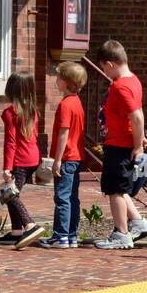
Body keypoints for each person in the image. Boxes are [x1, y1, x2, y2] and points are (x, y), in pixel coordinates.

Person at [90, 40, 147, 249]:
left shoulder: (120, 87)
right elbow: (138, 115)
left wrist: (138, 145)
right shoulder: (133, 80)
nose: (104, 72)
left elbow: (136, 116)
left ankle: (121, 233)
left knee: (115, 190)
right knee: (120, 188)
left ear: (109, 64)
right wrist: (139, 138)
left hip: (119, 145)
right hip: (123, 141)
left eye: (103, 68)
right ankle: (138, 222)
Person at [0, 71, 46, 249]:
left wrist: (7, 168)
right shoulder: (34, 111)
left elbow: (10, 142)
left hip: (19, 160)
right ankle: (16, 231)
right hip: (33, 158)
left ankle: (29, 225)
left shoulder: (10, 112)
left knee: (9, 194)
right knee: (10, 193)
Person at [40, 61, 86, 249]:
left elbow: (64, 132)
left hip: (66, 158)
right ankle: (71, 235)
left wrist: (57, 160)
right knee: (72, 197)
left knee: (62, 197)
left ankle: (60, 236)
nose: (56, 80)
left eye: (59, 77)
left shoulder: (65, 104)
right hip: (77, 157)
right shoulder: (77, 102)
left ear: (66, 81)